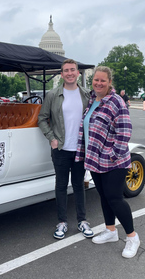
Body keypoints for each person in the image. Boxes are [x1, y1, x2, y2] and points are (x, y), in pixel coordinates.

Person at [74, 66, 140, 258]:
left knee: (115, 198)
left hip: (114, 162)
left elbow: (125, 131)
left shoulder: (116, 102)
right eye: (96, 80)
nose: (99, 83)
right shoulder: (92, 101)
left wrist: (112, 155)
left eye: (103, 80)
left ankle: (132, 237)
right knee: (103, 196)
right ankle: (111, 231)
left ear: (109, 82)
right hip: (95, 159)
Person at [38, 59, 94, 240]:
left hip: (80, 149)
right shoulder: (53, 95)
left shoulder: (87, 94)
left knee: (79, 185)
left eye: (72, 70)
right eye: (66, 71)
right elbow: (42, 118)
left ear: (78, 72)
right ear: (61, 74)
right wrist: (52, 139)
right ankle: (62, 222)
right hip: (61, 148)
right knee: (61, 185)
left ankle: (82, 220)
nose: (69, 73)